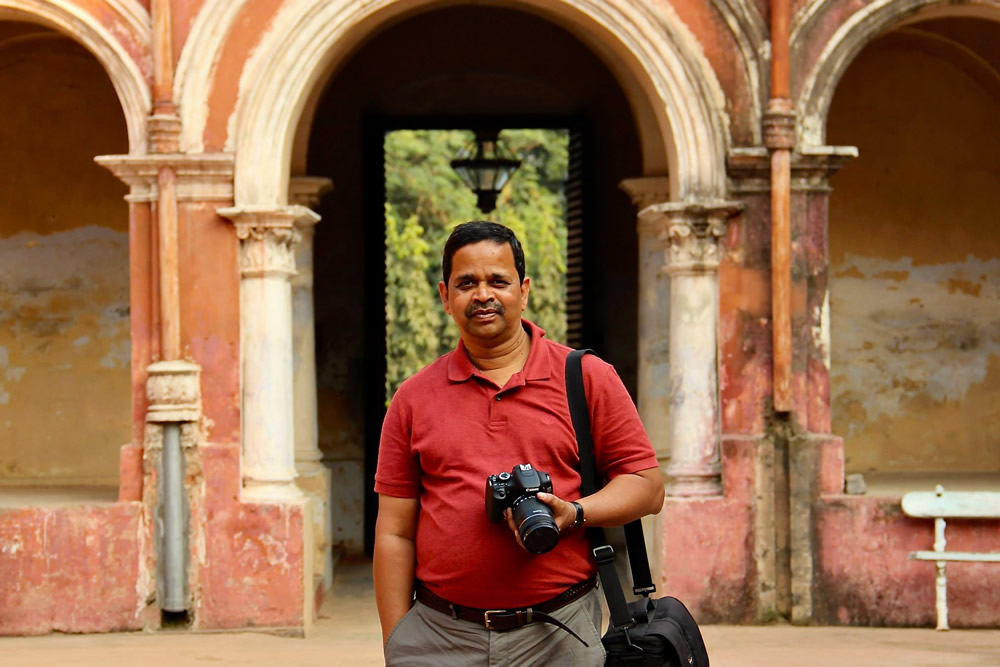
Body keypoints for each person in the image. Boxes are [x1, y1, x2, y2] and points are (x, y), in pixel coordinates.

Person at [374, 221, 663, 666]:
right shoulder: (414, 398)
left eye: (498, 281)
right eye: (466, 283)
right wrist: (398, 642)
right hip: (439, 637)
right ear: (444, 295)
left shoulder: (586, 379)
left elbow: (647, 486)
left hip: (559, 632)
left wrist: (575, 513)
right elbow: (394, 532)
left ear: (523, 291)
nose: (483, 294)